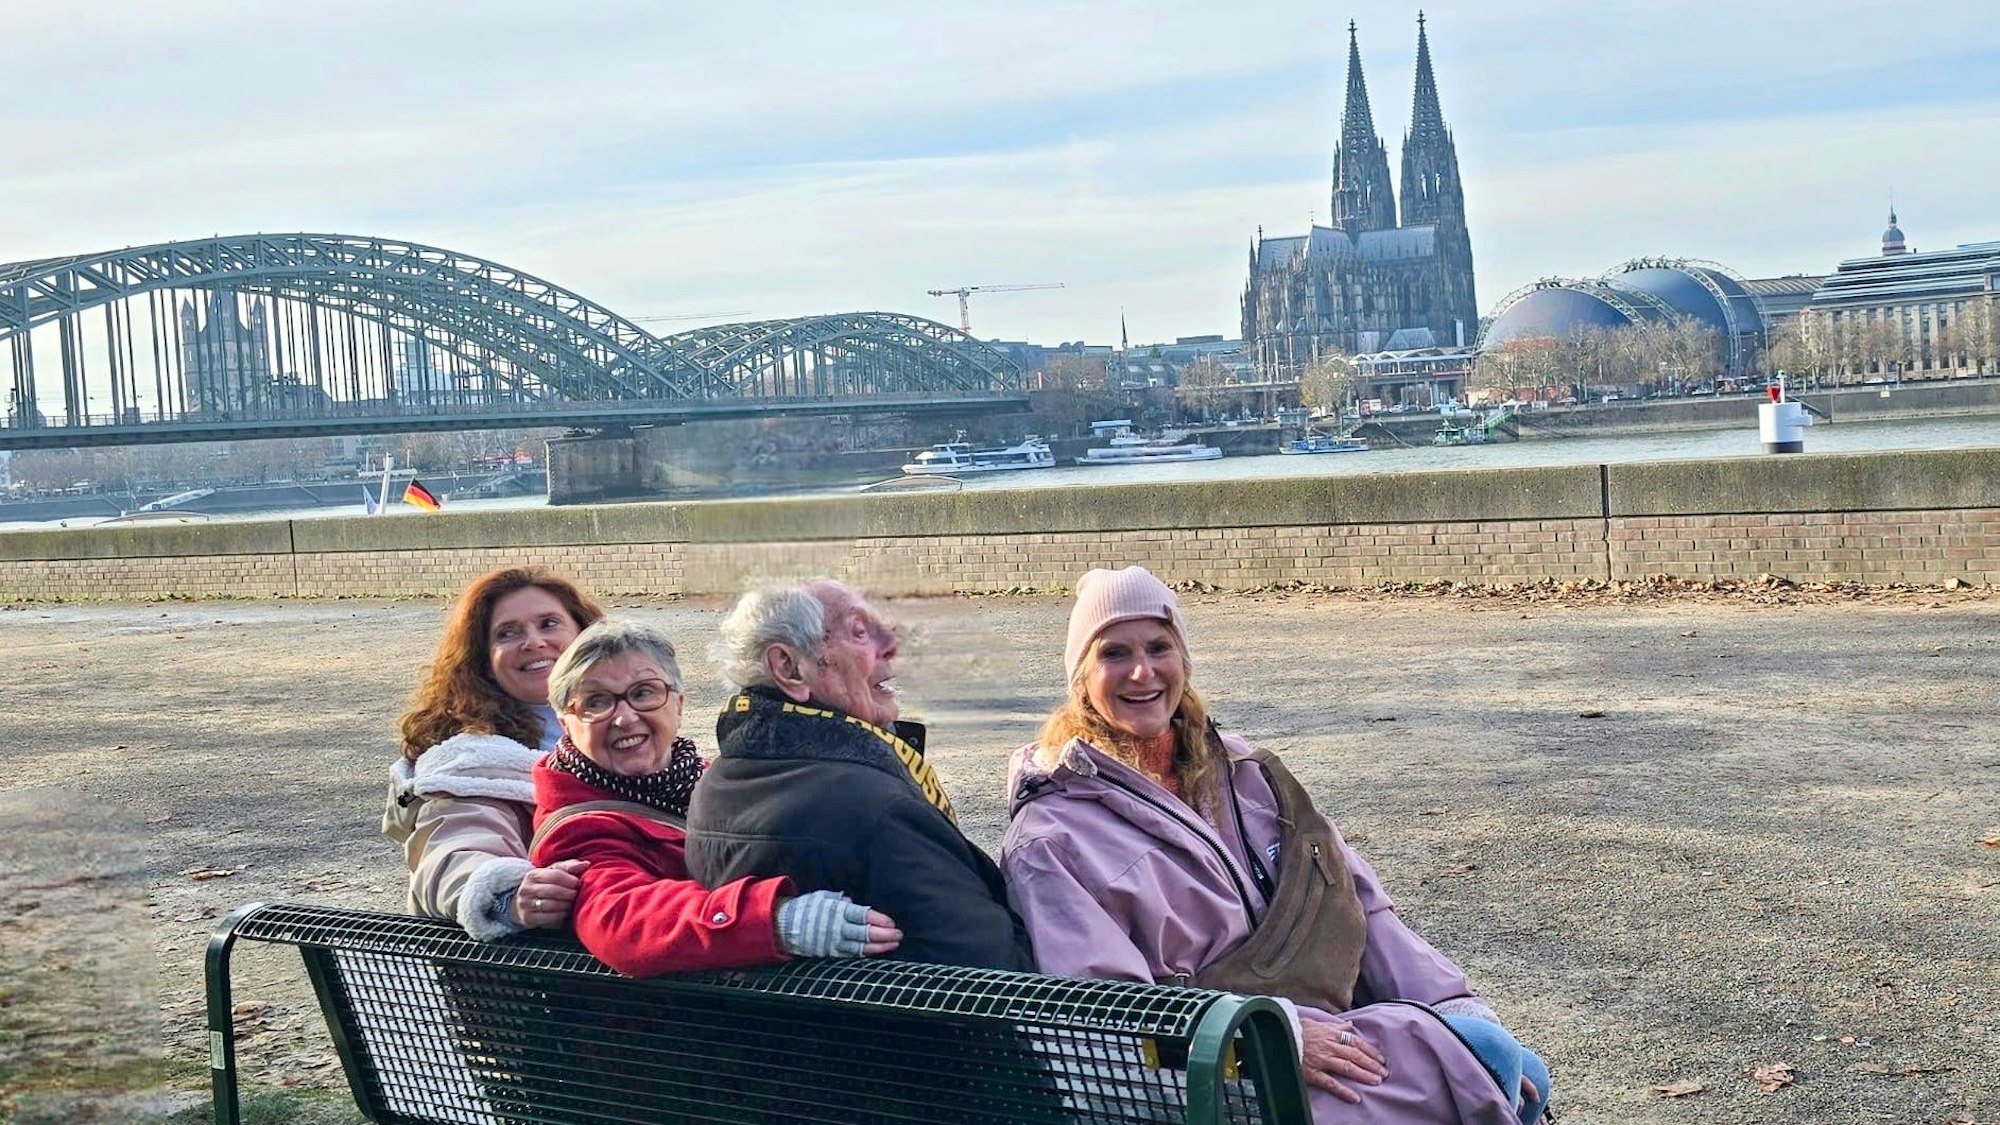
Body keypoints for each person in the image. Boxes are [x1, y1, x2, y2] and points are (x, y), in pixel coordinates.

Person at [1004, 566, 1551, 1124]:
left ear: (1183, 661)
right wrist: (1274, 1037)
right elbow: (1106, 1017)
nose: (1143, 671)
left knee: (1508, 1061)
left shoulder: (1247, 776)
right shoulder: (1053, 837)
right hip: (1209, 1075)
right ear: (1081, 679)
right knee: (1490, 1067)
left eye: (1159, 646)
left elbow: (1358, 904)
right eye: (1114, 653)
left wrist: (1451, 1007)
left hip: (1322, 1033)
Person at [686, 579, 1034, 971]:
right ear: (789, 668)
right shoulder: (874, 810)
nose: (891, 645)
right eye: (859, 631)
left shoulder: (714, 787)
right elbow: (994, 972)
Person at [530, 618, 901, 974]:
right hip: (681, 1027)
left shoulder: (710, 778)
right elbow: (622, 917)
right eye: (595, 703)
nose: (624, 718)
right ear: (565, 723)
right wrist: (774, 920)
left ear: (678, 704)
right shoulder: (578, 826)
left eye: (644, 693)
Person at [382, 566, 604, 940]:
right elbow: (453, 850)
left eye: (549, 624)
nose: (533, 642)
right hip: (545, 977)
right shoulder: (470, 761)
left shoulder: (625, 730)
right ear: (483, 659)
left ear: (586, 636)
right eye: (508, 633)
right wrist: (508, 896)